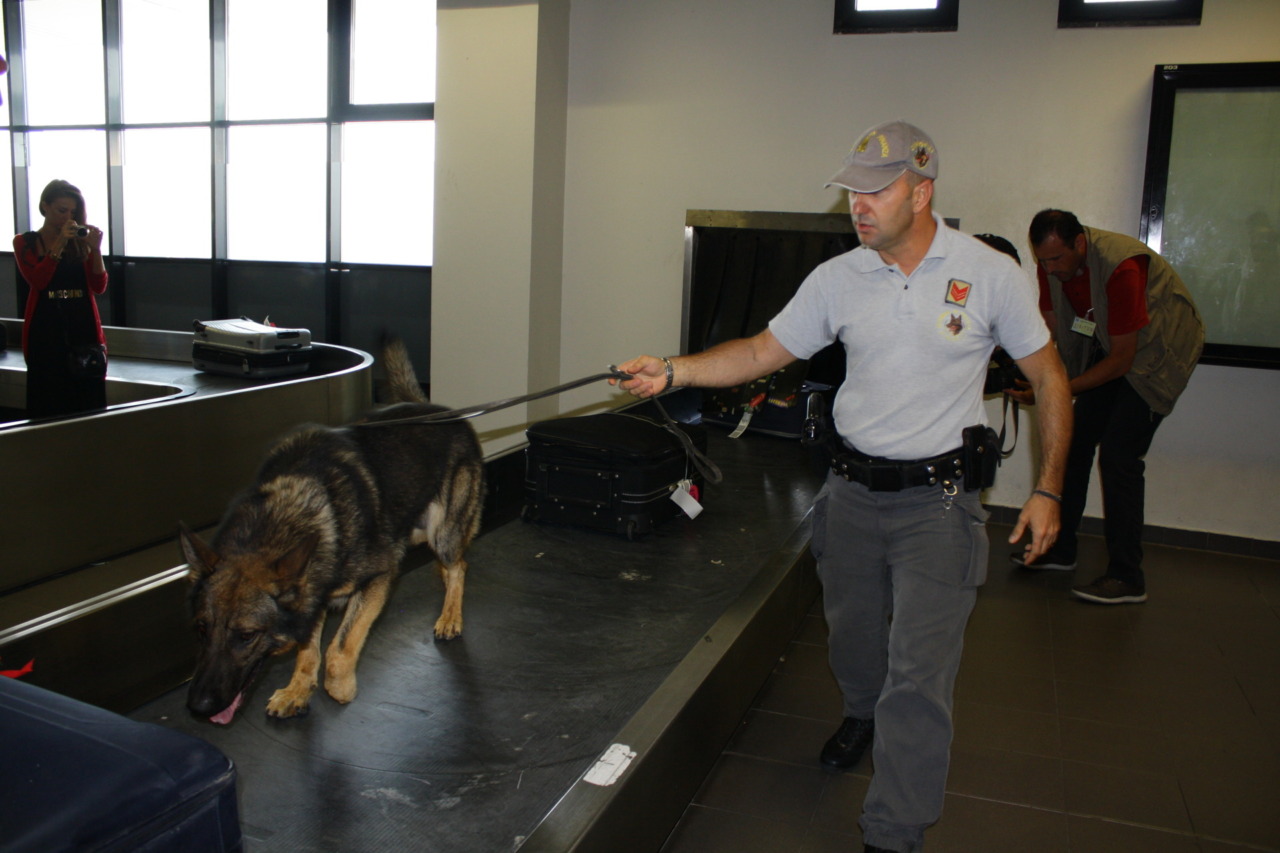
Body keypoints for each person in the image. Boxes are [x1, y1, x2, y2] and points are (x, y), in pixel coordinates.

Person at [615, 120, 1072, 853]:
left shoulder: (988, 274)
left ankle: (893, 830)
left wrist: (1048, 490)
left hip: (939, 503)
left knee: (918, 676)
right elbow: (761, 352)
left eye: (875, 191)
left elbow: (1050, 378)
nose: (857, 205)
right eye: (851, 191)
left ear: (921, 192)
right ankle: (861, 711)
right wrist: (674, 371)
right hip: (852, 492)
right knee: (855, 642)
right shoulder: (839, 277)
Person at [1009, 209, 1203, 604]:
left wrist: (1053, 389)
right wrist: (1020, 366)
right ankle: (1059, 549)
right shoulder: (1051, 265)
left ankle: (1127, 576)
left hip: (1155, 355)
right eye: (1043, 261)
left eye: (1056, 259)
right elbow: (1048, 330)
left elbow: (1122, 361)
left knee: (1119, 457)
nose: (1049, 269)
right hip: (1111, 349)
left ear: (1079, 244)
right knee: (1073, 442)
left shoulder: (1122, 267)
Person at [14, 179, 109, 418]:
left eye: (73, 213)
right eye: (62, 210)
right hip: (46, 326)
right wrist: (59, 243)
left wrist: (96, 250)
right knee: (48, 396)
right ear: (45, 206)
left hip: (82, 325)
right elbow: (38, 280)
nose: (68, 218)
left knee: (87, 396)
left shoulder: (80, 242)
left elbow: (99, 286)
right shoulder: (25, 242)